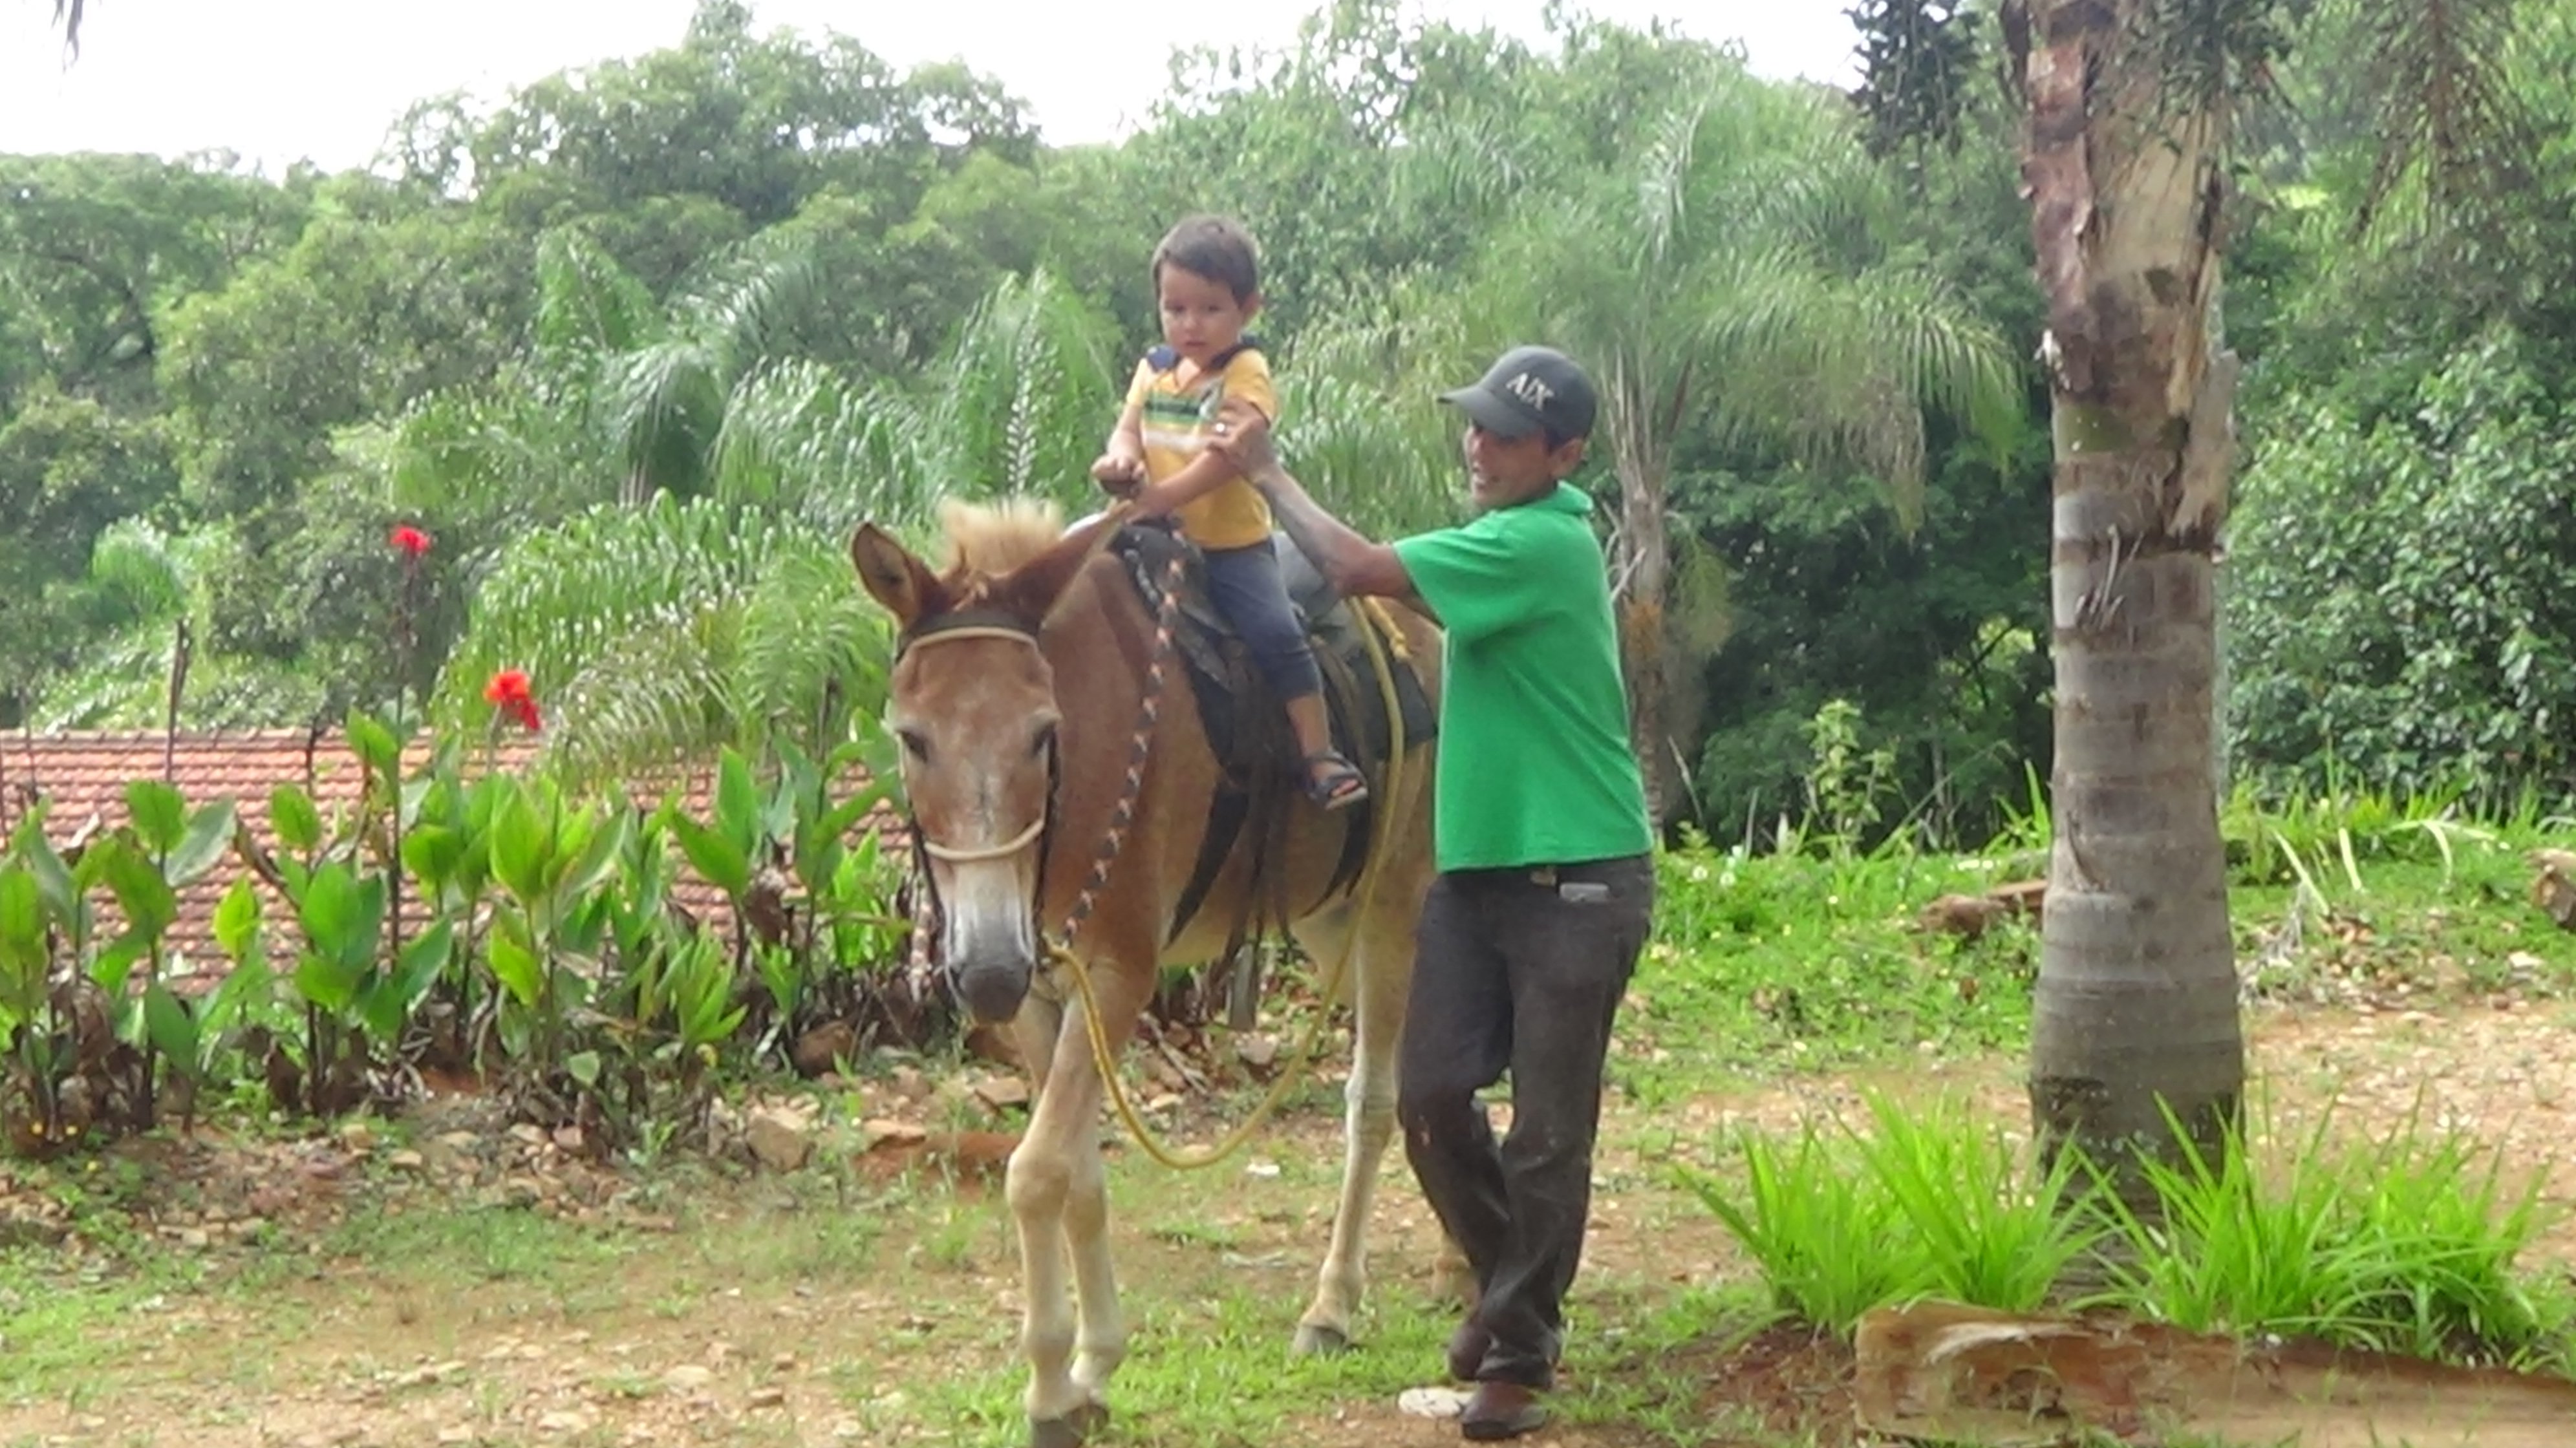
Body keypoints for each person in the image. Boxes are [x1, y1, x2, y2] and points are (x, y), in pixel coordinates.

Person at [1208, 345, 1656, 1442]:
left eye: (1506, 434)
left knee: (1550, 1133)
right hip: (1479, 874)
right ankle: (1516, 1298)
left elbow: (1355, 569)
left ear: (1564, 455)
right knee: (1428, 1096)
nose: (1478, 444)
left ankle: (1513, 1353)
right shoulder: (1499, 538)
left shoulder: (1539, 543)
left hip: (1580, 876)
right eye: (1475, 424)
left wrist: (1265, 478)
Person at [1089, 213, 1367, 811]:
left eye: (1210, 309)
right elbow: (1127, 430)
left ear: (1249, 308)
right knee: (1066, 580)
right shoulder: (1155, 367)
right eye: (1175, 307)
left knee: (1276, 632)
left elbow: (1229, 456)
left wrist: (1158, 498)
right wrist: (1118, 463)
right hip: (1150, 533)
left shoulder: (1246, 371)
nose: (1190, 324)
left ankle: (1318, 753)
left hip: (1230, 547)